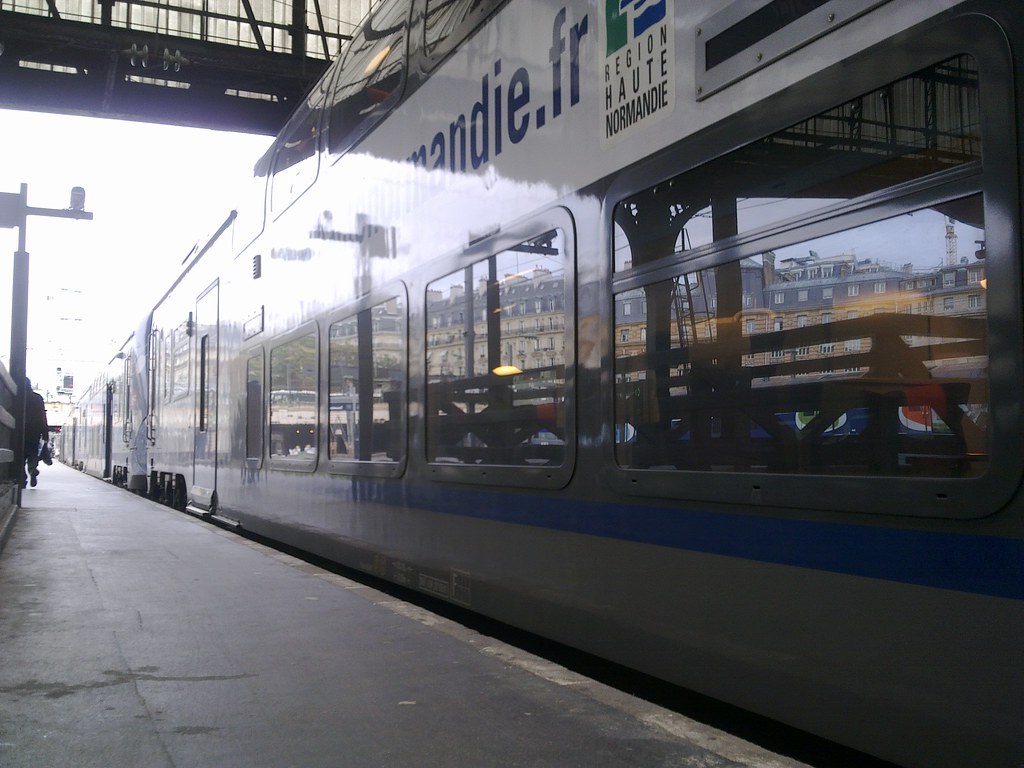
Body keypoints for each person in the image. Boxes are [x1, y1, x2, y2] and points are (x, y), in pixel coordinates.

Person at [22, 379, 49, 489]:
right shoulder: (37, 398)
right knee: (32, 454)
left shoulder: (18, 397)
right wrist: (45, 432)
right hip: (34, 433)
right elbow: (43, 416)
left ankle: (22, 479)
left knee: (20, 457)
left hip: (20, 431)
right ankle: (33, 469)